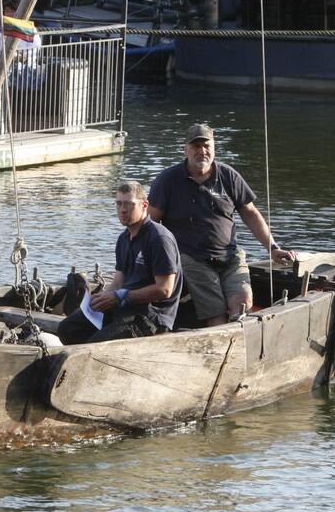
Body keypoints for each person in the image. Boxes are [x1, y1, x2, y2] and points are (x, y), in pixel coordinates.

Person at [148, 123, 295, 326]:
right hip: (191, 258)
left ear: (214, 148)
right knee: (217, 316)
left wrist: (273, 248)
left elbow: (250, 213)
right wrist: (146, 261)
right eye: (196, 146)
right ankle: (222, 349)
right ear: (185, 150)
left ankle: (241, 344)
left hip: (229, 256)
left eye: (207, 146)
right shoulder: (168, 180)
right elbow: (150, 223)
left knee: (244, 305)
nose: (202, 151)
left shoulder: (228, 176)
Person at [56, 180, 182, 345]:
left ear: (144, 205)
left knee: (95, 344)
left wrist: (120, 296)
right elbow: (118, 282)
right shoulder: (123, 239)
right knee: (67, 329)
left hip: (150, 316)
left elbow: (164, 289)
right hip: (124, 308)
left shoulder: (159, 238)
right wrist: (100, 298)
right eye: (119, 204)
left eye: (129, 204)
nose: (123, 210)